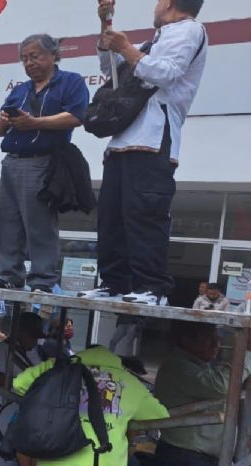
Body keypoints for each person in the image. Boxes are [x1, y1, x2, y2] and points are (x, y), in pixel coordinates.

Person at [81, 0, 208, 306]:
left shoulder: (190, 30)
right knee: (111, 218)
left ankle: (152, 288)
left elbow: (166, 73)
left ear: (169, 2)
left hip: (154, 141)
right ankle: (113, 283)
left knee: (145, 216)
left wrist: (127, 48)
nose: (155, 7)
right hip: (121, 141)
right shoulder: (155, 41)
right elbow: (111, 69)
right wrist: (106, 25)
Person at [13, 346, 168, 466]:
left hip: (57, 465)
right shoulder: (131, 383)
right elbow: (160, 416)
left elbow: (19, 384)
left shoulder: (59, 368)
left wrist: (53, 365)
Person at [0, 35, 89, 292]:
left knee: (39, 222)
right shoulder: (19, 90)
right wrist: (3, 120)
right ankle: (8, 274)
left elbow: (76, 116)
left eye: (35, 56)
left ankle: (42, 278)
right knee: (8, 222)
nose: (29, 62)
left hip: (43, 161)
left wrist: (36, 123)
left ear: (53, 55)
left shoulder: (70, 82)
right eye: (24, 58)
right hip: (12, 160)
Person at [152, 321, 251, 466]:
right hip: (186, 457)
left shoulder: (201, 366)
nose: (217, 343)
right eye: (209, 338)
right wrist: (246, 354)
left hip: (214, 456)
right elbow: (223, 386)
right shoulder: (177, 366)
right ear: (186, 340)